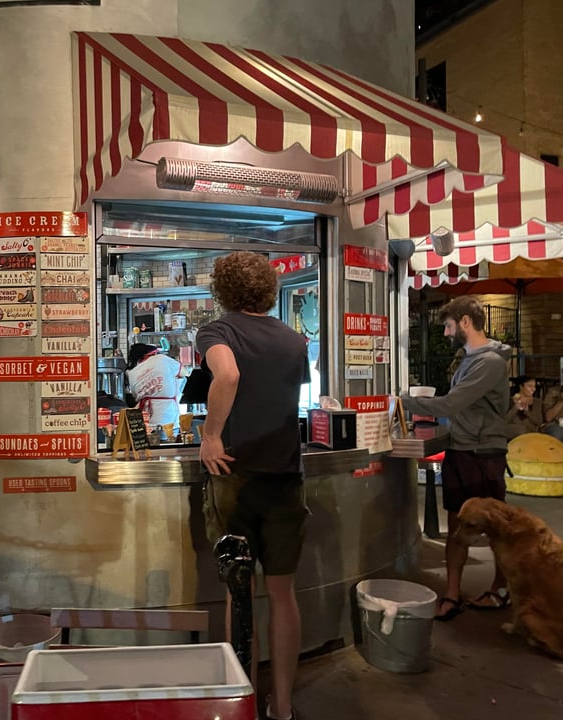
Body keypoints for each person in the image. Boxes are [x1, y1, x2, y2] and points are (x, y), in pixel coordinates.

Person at [196, 251, 309, 720]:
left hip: (235, 478)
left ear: (222, 291)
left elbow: (229, 373)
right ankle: (281, 708)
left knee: (238, 595)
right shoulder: (294, 339)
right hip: (286, 477)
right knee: (283, 595)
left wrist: (211, 435)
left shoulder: (218, 331)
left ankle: (242, 701)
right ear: (270, 290)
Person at [401, 295, 512, 620]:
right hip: (462, 449)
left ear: (465, 322)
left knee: (496, 529)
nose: (447, 333)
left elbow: (451, 404)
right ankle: (452, 593)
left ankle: (501, 590)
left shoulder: (489, 362)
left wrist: (400, 400)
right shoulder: (469, 359)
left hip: (484, 453)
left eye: (449, 326)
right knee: (457, 526)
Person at [125, 342, 185, 430]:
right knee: (169, 439)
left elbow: (135, 395)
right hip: (167, 412)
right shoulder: (161, 359)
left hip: (145, 414)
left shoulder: (131, 373)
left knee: (150, 438)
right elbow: (184, 372)